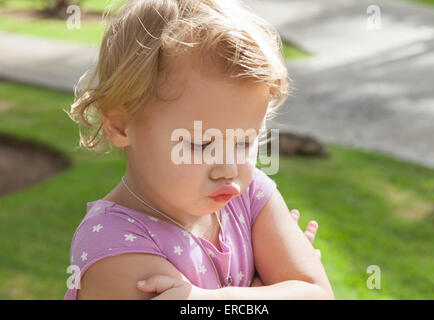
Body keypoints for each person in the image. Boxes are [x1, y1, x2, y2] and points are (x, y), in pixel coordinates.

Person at [64, 0, 333, 299]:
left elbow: (317, 294)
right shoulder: (114, 245)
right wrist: (267, 291)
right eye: (202, 144)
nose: (229, 168)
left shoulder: (250, 195)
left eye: (245, 141)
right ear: (121, 127)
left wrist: (216, 300)